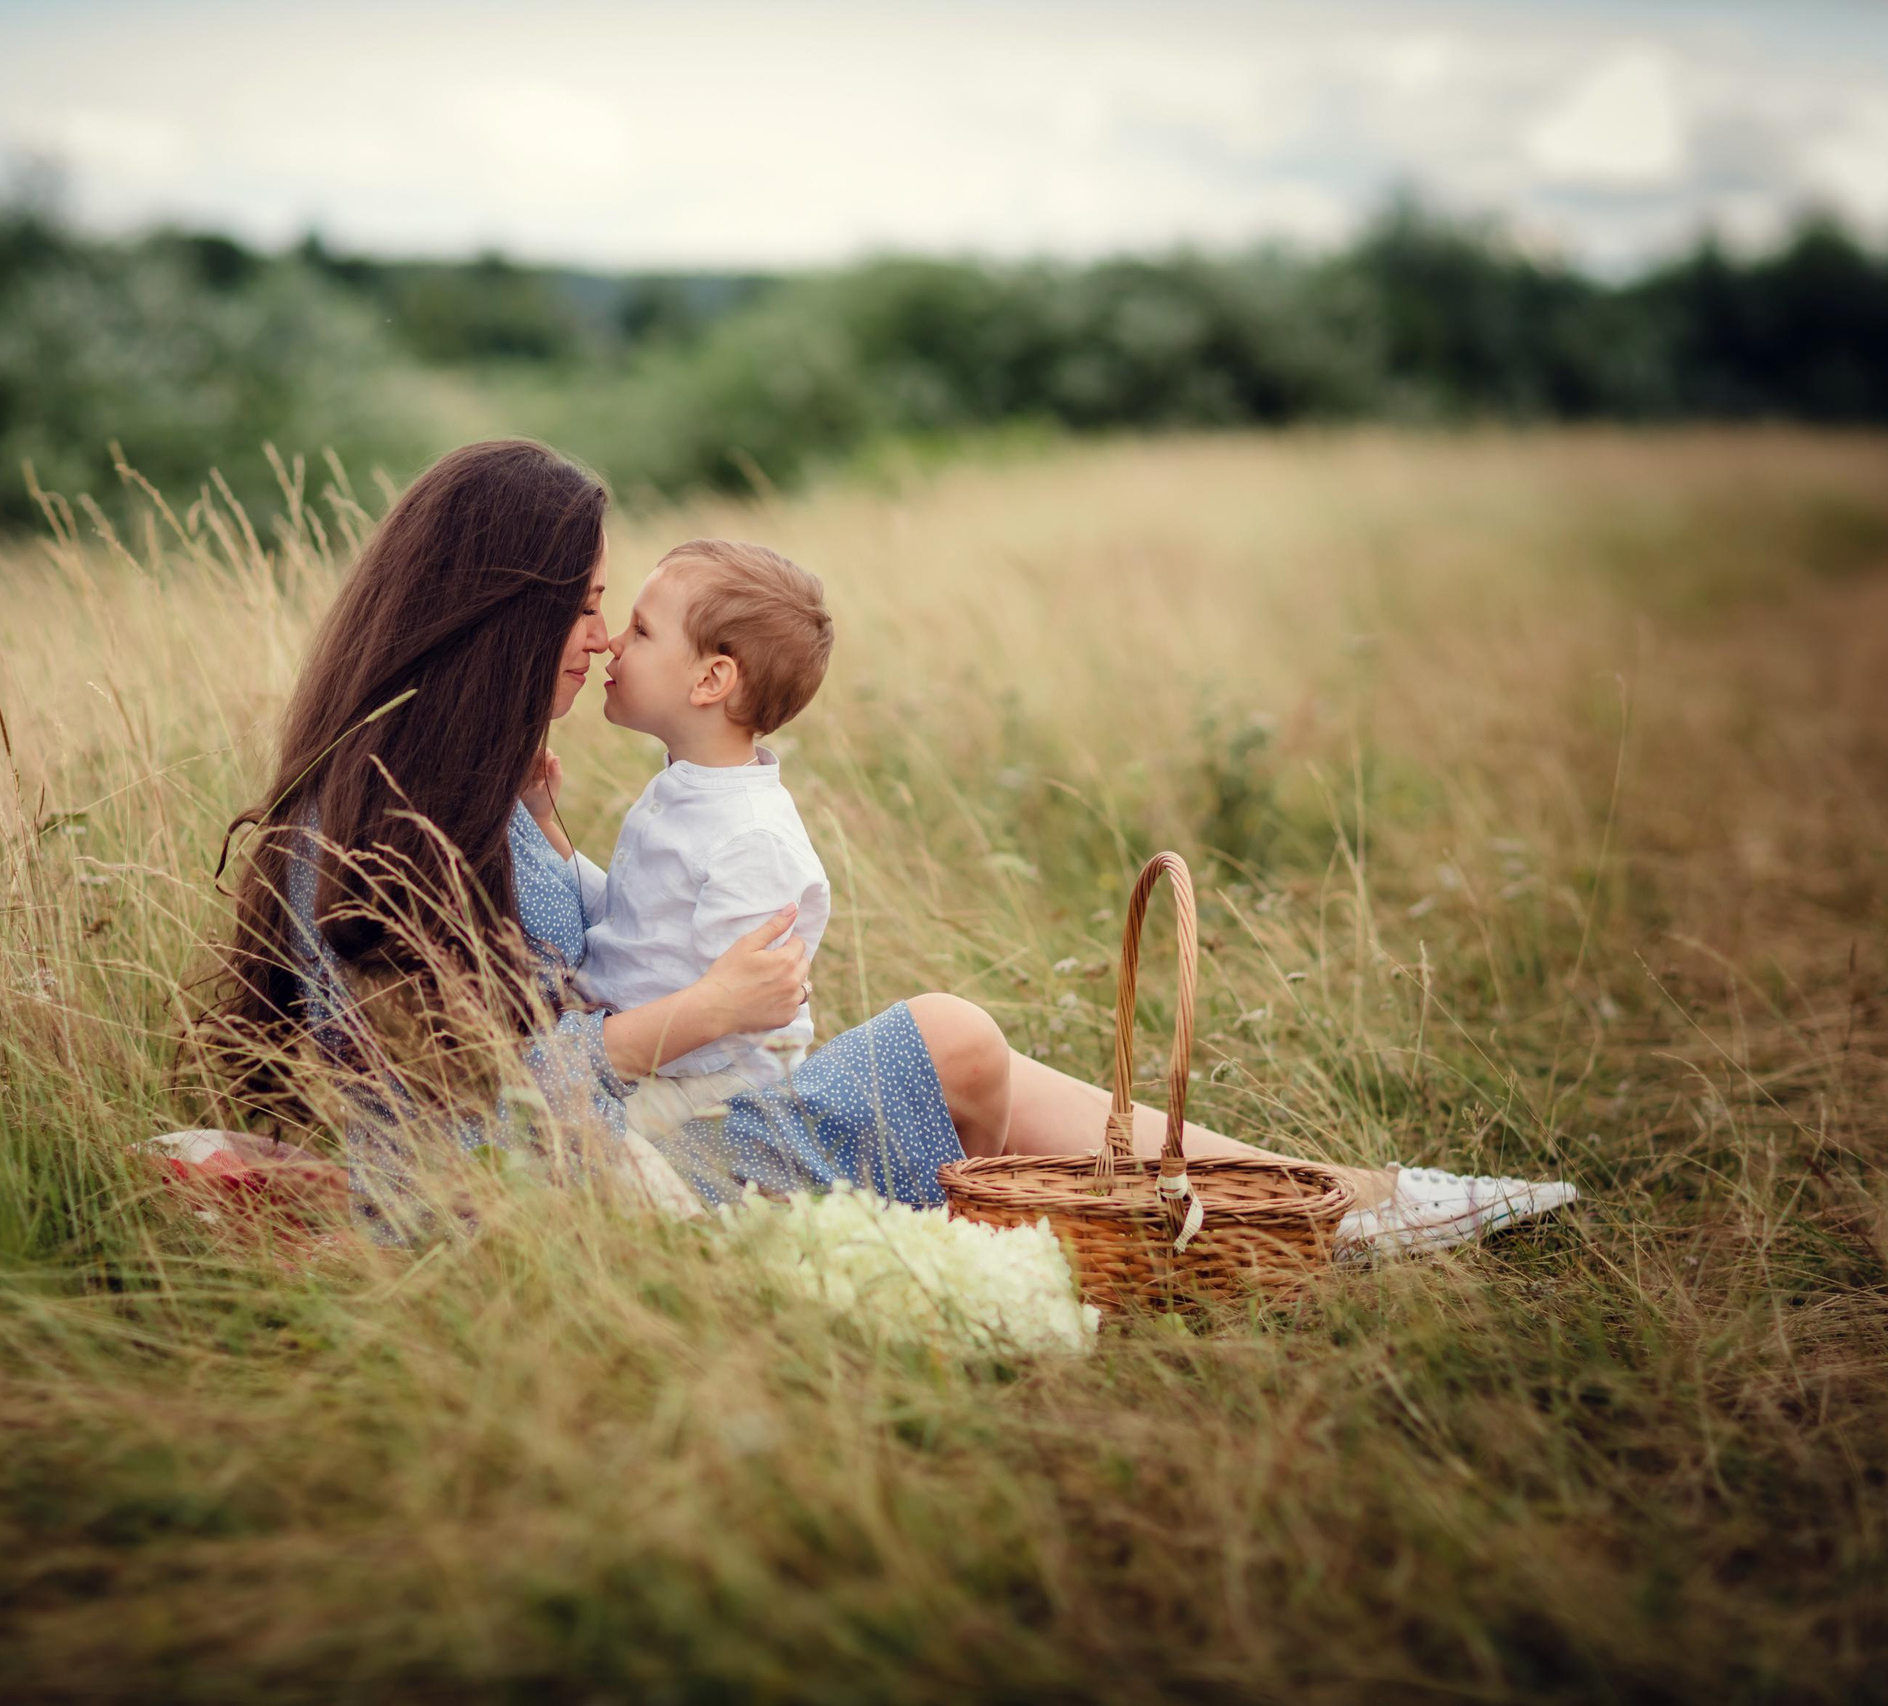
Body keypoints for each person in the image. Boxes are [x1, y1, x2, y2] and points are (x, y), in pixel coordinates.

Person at [200, 439, 1574, 1252]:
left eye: (617, 609)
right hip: (577, 1202)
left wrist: (557, 848)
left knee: (973, 1058)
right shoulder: (381, 835)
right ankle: (1315, 1205)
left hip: (618, 1154)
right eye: (584, 604)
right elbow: (469, 1123)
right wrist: (691, 1014)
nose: (604, 637)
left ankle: (1307, 1199)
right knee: (953, 1037)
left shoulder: (466, 803)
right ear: (500, 618)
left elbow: (551, 989)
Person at [519, 538, 838, 1205]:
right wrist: (548, 825)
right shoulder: (687, 789)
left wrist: (612, 1051)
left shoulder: (749, 835)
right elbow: (631, 922)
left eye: (641, 630)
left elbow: (738, 1015)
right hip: (665, 1065)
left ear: (710, 681)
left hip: (710, 1090)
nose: (612, 645)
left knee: (548, 1150)